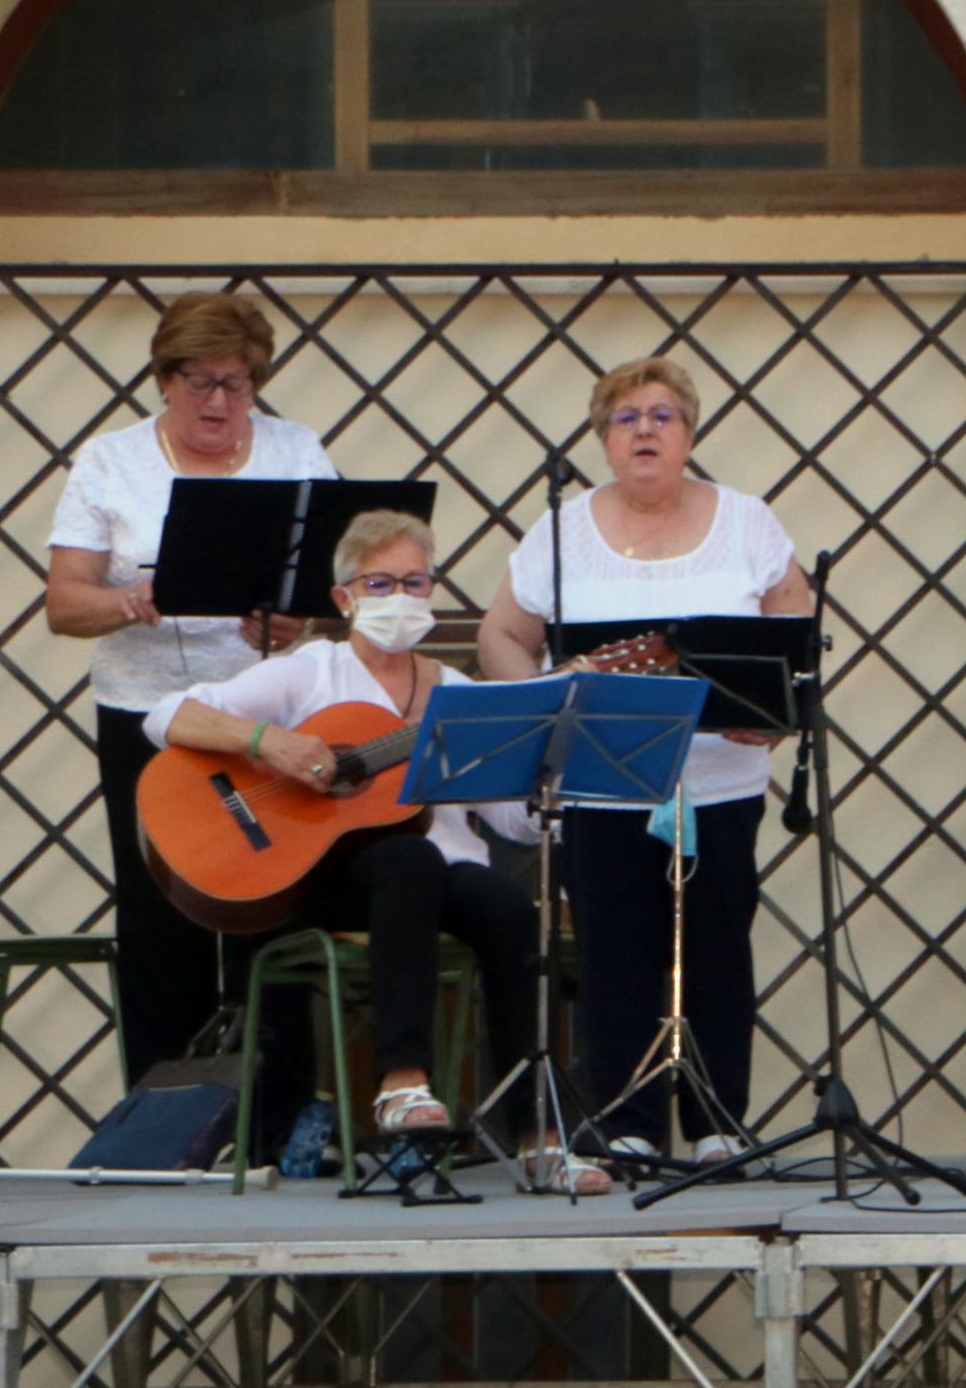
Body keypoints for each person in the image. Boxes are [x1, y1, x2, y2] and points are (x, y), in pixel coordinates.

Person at [144, 511, 605, 1193]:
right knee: (406, 860)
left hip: (440, 875)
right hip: (326, 877)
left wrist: (551, 763)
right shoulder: (311, 673)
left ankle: (538, 1133)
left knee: (510, 909)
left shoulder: (455, 693)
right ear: (344, 598)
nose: (399, 597)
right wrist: (270, 743)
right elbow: (164, 716)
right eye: (380, 582)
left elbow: (512, 820)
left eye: (414, 582)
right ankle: (402, 1080)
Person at [477, 357, 809, 1168]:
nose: (645, 431)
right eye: (625, 418)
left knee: (716, 949)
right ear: (602, 439)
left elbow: (794, 632)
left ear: (690, 433)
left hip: (718, 782)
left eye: (663, 416)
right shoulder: (561, 531)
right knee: (614, 949)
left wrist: (773, 716)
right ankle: (626, 1123)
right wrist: (547, 700)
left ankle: (713, 1121)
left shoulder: (747, 520)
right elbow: (501, 636)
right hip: (603, 780)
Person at [45, 291, 335, 1086]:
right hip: (146, 720)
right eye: (201, 382)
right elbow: (63, 604)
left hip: (267, 717)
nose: (219, 401)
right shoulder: (111, 461)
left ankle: (273, 1123)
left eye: (237, 384)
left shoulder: (296, 450)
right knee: (159, 916)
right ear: (164, 380)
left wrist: (292, 625)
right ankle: (161, 1121)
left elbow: (332, 590)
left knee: (272, 908)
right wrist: (131, 601)